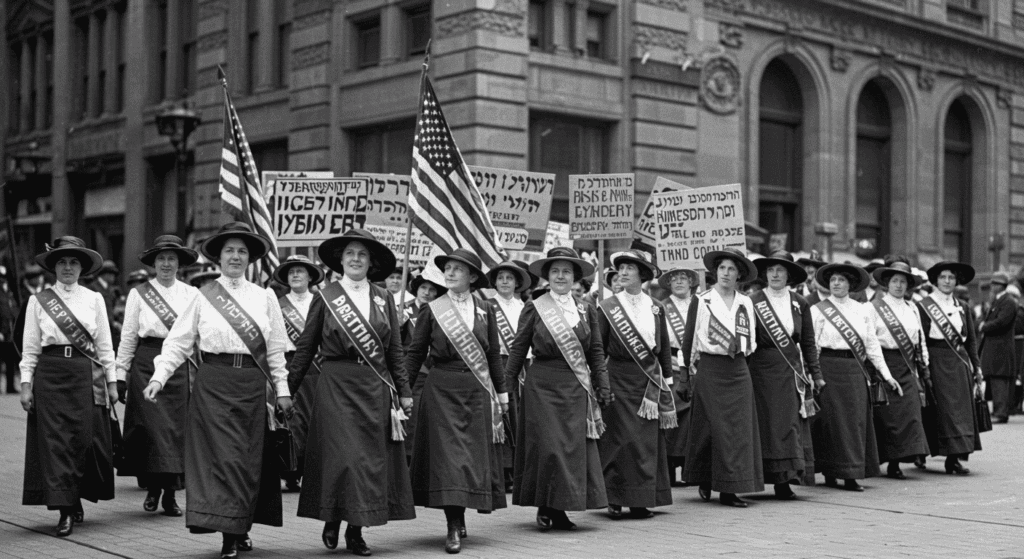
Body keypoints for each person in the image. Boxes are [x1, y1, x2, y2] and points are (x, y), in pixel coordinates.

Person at [142, 222, 293, 559]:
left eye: (241, 251)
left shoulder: (265, 297)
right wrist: (158, 378)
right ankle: (229, 534)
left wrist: (282, 390)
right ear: (219, 258)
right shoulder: (202, 296)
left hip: (252, 386)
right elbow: (178, 342)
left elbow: (276, 351)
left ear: (250, 258)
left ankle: (241, 526)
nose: (235, 257)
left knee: (246, 461)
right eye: (229, 251)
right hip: (213, 385)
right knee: (220, 461)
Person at [287, 230, 415, 555]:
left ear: (371, 263)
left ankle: (356, 529)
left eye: (362, 254)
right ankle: (333, 517)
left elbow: (395, 351)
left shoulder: (383, 297)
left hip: (374, 386)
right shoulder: (326, 296)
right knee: (342, 456)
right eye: (350, 254)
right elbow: (305, 347)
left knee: (366, 460)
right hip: (336, 383)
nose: (356, 259)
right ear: (340, 260)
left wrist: (404, 392)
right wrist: (285, 389)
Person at [405, 248, 508, 554]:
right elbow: (415, 354)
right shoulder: (433, 309)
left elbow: (491, 355)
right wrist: (404, 392)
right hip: (442, 389)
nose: (449, 273)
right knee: (449, 458)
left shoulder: (486, 309)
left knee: (468, 457)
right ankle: (453, 523)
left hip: (476, 389)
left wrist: (501, 395)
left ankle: (461, 511)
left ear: (472, 277)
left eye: (457, 269)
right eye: (447, 268)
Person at [505, 247, 611, 530]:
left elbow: (596, 351)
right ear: (547, 276)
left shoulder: (587, 309)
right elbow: (518, 350)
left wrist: (603, 384)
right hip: (542, 384)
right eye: (555, 271)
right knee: (549, 446)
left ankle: (561, 506)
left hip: (575, 385)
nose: (561, 276)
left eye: (566, 271)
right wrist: (504, 389)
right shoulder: (535, 306)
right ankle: (545, 503)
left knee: (570, 448)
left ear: (575, 277)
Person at [20, 236, 118, 536]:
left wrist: (112, 383)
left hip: (83, 375)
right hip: (49, 377)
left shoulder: (94, 299)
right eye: (61, 261)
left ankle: (74, 497)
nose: (67, 267)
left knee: (82, 440)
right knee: (55, 443)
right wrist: (25, 385)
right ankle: (64, 509)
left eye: (73, 261)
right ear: (53, 266)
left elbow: (104, 346)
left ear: (82, 267)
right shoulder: (38, 301)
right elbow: (30, 348)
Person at [115, 235, 200, 516]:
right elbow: (128, 337)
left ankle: (170, 495)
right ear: (153, 263)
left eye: (171, 259)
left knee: (175, 433)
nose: (166, 264)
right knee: (152, 431)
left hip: (178, 367)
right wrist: (120, 373)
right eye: (161, 259)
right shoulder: (139, 294)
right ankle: (152, 488)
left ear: (179, 263)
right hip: (145, 363)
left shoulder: (192, 294)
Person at [680, 247, 764, 507]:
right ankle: (706, 476)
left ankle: (731, 487)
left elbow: (751, 339)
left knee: (737, 431)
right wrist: (686, 374)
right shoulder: (702, 300)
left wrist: (741, 363)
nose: (726, 273)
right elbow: (690, 338)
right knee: (711, 428)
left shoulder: (746, 302)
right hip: (710, 368)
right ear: (715, 272)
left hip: (738, 370)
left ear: (739, 274)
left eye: (732, 269)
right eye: (722, 268)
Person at [810, 263, 903, 492]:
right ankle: (831, 472)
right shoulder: (817, 310)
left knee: (854, 423)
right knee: (831, 423)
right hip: (828, 369)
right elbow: (811, 346)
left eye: (842, 280)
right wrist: (813, 375)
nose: (837, 284)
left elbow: (872, 345)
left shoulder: (862, 309)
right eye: (833, 280)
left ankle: (851, 473)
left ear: (850, 284)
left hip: (854, 371)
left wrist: (887, 375)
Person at [597, 249, 674, 518]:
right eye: (622, 268)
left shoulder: (656, 307)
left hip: (648, 382)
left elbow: (662, 349)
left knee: (644, 443)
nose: (624, 272)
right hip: (617, 377)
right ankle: (614, 498)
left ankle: (641, 498)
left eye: (631, 268)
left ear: (642, 274)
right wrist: (601, 382)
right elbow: (599, 348)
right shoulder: (607, 307)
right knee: (617, 440)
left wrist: (668, 382)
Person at [748, 250, 823, 499]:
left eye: (780, 270)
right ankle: (758, 477)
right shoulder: (752, 301)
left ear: (789, 275)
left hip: (790, 369)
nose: (775, 274)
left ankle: (784, 480)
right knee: (764, 424)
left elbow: (809, 342)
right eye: (771, 270)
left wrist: (817, 374)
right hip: (760, 370)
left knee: (787, 424)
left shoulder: (800, 303)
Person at [868, 259, 931, 479]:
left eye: (903, 282)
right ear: (887, 283)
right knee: (888, 417)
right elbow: (870, 339)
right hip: (883, 363)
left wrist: (924, 364)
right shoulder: (873, 307)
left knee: (911, 413)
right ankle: (889, 461)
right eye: (895, 281)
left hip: (907, 366)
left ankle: (906, 456)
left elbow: (919, 339)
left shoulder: (912, 307)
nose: (898, 285)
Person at [918, 262, 982, 474]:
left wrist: (977, 366)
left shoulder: (962, 306)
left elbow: (970, 340)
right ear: (936, 280)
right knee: (942, 410)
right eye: (943, 277)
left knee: (960, 412)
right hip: (936, 361)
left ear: (956, 281)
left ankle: (955, 458)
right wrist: (924, 367)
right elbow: (921, 340)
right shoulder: (924, 305)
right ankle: (926, 452)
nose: (947, 281)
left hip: (959, 362)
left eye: (951, 278)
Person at [273, 255, 325, 492]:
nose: (295, 275)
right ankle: (290, 471)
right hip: (290, 364)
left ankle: (311, 471)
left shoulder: (322, 301)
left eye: (300, 272)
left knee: (315, 420)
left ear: (310, 277)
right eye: (291, 272)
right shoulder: (277, 303)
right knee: (292, 420)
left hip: (317, 367)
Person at [487, 260, 533, 492]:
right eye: (501, 277)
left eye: (510, 278)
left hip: (521, 367)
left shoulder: (525, 306)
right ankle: (500, 473)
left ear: (517, 283)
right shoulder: (486, 305)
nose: (505, 282)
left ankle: (516, 470)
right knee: (499, 417)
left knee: (517, 419)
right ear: (494, 282)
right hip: (496, 364)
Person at [658, 266, 697, 486]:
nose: (679, 282)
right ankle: (670, 466)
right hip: (671, 365)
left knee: (694, 418)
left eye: (684, 278)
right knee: (673, 415)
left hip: (696, 366)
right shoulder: (662, 307)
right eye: (675, 279)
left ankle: (691, 466)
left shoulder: (701, 303)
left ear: (691, 282)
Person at [401, 269, 446, 461]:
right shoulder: (402, 310)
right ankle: (409, 458)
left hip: (434, 372)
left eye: (431, 289)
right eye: (423, 288)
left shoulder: (442, 311)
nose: (426, 292)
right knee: (412, 418)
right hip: (414, 371)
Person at [980, 272, 1016, 423]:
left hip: (1000, 349)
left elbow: (1002, 322)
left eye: (993, 285)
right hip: (995, 349)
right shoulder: (999, 300)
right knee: (995, 380)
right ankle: (997, 410)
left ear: (999, 286)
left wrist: (985, 326)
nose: (991, 287)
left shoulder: (1008, 301)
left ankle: (1001, 413)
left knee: (999, 380)